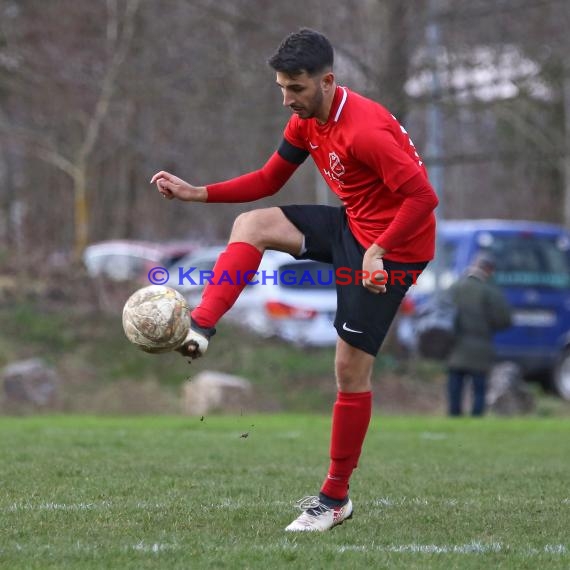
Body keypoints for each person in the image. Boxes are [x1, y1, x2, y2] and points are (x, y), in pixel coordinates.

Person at [151, 29, 438, 532]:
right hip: (354, 226)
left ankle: (334, 499)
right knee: (253, 224)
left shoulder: (366, 130)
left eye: (296, 89)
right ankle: (201, 326)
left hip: (396, 249)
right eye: (282, 87)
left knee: (349, 371)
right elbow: (268, 179)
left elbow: (423, 199)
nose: (287, 98)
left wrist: (379, 250)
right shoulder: (306, 121)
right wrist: (197, 193)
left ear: (327, 81)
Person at [446, 251, 512, 417]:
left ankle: (454, 415)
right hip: (481, 344)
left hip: (456, 344)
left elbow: (440, 310)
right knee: (479, 386)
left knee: (455, 382)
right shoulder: (490, 291)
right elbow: (504, 319)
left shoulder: (455, 287)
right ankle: (476, 416)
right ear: (489, 270)